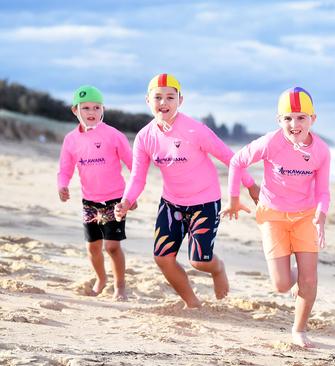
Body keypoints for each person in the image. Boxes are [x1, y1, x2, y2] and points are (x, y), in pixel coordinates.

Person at [114, 73, 259, 308]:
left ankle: (217, 268)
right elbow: (137, 177)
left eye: (170, 97)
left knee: (199, 262)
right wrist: (126, 200)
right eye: (158, 97)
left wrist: (251, 185)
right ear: (147, 101)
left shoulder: (195, 130)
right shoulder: (144, 137)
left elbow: (229, 158)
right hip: (172, 202)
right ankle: (193, 304)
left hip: (205, 201)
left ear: (180, 101)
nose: (164, 103)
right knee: (162, 258)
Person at [221, 87, 330, 348]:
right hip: (272, 216)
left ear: (312, 119)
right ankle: (296, 278)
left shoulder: (322, 151)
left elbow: (323, 190)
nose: (294, 124)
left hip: (306, 217)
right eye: (288, 118)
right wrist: (234, 199)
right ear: (279, 120)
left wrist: (321, 216)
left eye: (301, 118)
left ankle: (299, 329)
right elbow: (237, 161)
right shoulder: (271, 142)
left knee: (310, 278)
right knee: (282, 284)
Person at [57, 85, 133, 301]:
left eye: (96, 108)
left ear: (103, 109)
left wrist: (131, 196)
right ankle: (101, 279)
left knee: (112, 247)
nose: (91, 113)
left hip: (115, 200)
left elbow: (133, 166)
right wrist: (62, 185)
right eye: (86, 108)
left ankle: (120, 286)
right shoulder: (71, 140)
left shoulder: (114, 135)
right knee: (93, 248)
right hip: (90, 202)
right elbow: (65, 168)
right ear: (75, 110)